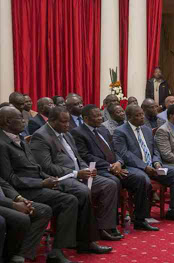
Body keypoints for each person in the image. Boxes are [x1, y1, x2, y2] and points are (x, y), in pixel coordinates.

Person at [0, 106, 82, 263]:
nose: (24, 120)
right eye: (19, 118)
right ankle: (53, 253)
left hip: (37, 183)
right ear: (7, 122)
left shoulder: (20, 138)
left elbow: (35, 167)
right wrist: (41, 183)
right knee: (67, 201)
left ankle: (43, 253)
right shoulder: (2, 144)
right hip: (23, 190)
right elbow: (9, 179)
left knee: (68, 196)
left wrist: (47, 178)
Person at [30, 106, 116, 251]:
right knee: (83, 192)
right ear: (52, 121)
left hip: (78, 174)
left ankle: (103, 228)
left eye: (68, 121)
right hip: (61, 177)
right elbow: (46, 166)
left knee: (109, 184)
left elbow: (78, 157)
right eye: (63, 122)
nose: (67, 125)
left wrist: (86, 169)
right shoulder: (41, 136)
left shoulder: (66, 133)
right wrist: (76, 173)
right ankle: (86, 241)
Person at [71, 105, 158, 232]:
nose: (100, 118)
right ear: (86, 118)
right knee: (114, 182)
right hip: (99, 169)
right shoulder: (78, 132)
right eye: (96, 116)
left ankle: (140, 219)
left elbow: (114, 150)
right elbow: (85, 156)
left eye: (100, 115)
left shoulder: (103, 130)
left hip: (117, 166)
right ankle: (110, 223)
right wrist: (110, 166)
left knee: (141, 179)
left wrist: (118, 162)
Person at [113, 104, 174, 222]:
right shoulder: (120, 131)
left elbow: (155, 150)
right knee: (143, 179)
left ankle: (173, 210)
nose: (142, 117)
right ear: (129, 117)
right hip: (134, 166)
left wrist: (157, 162)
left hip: (152, 165)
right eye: (137, 116)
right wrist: (145, 167)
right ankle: (142, 217)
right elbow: (124, 154)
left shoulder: (147, 130)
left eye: (142, 114)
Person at [0, 176, 52, 263]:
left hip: (6, 199)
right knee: (20, 219)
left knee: (43, 211)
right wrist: (14, 205)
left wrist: (19, 198)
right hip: (4, 203)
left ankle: (17, 260)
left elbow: (2, 182)